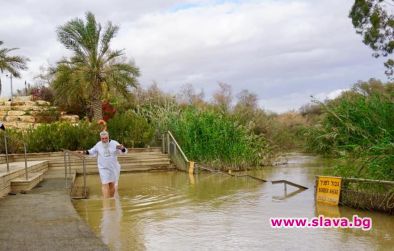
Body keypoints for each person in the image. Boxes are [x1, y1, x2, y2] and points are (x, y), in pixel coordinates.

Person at [80, 131, 127, 198]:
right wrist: (83, 152)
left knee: (111, 184)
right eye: (103, 138)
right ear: (100, 138)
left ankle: (111, 199)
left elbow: (123, 151)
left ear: (108, 137)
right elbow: (91, 151)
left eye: (106, 138)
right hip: (103, 168)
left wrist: (122, 149)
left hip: (113, 167)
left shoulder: (114, 144)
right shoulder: (98, 145)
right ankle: (106, 201)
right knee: (104, 183)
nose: (104, 140)